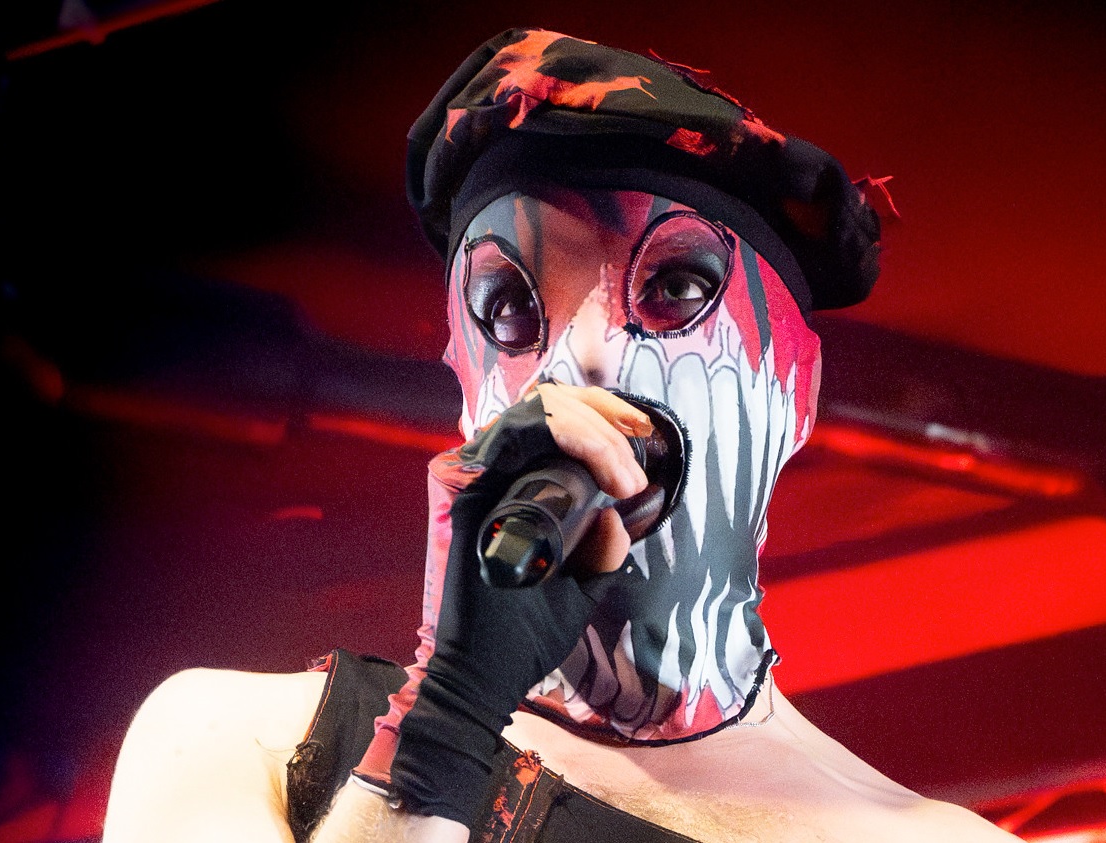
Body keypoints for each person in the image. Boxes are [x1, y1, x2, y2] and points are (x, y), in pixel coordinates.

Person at [102, 27, 1024, 843]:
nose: (581, 361)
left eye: (675, 289)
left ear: (795, 390)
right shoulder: (238, 738)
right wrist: (446, 719)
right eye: (508, 310)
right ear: (466, 389)